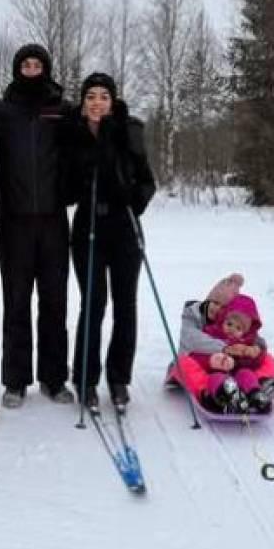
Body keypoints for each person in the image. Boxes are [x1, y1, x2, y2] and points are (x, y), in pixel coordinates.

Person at [0, 44, 74, 408]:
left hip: (54, 220)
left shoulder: (62, 110)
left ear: (46, 68)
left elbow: (94, 128)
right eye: (26, 63)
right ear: (17, 68)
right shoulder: (1, 111)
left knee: (55, 302)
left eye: (38, 64)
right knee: (17, 301)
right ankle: (16, 381)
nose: (32, 68)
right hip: (14, 221)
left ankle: (54, 379)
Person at [63, 72, 156, 411]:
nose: (97, 102)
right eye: (90, 96)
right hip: (88, 225)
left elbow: (147, 181)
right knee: (94, 303)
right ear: (83, 102)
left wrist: (133, 199)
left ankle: (119, 379)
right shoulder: (73, 133)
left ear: (112, 100)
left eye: (103, 96)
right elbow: (65, 186)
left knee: (125, 305)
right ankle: (85, 379)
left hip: (123, 225)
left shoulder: (129, 130)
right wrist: (75, 184)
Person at [170, 273, 274, 413]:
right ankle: (209, 393)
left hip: (234, 370)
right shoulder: (193, 315)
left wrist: (254, 350)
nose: (216, 309)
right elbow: (192, 340)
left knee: (269, 360)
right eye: (215, 302)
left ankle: (258, 389)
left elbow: (256, 340)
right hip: (199, 365)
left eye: (222, 307)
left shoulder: (232, 324)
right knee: (184, 364)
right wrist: (227, 349)